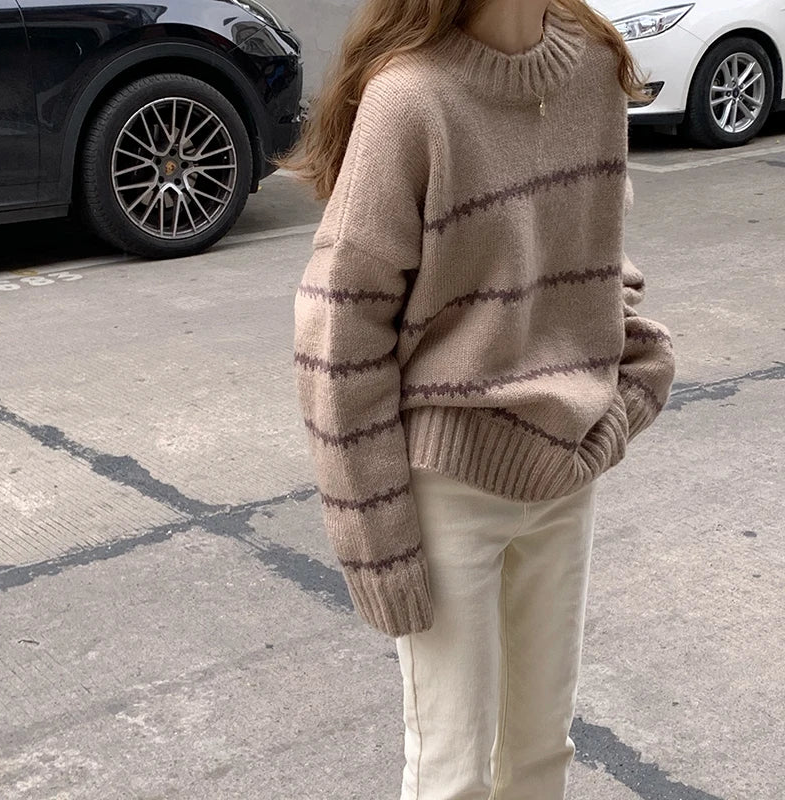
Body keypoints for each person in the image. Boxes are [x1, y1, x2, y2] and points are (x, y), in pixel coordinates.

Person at [278, 0, 676, 796]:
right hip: (448, 493)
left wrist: (621, 382)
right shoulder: (411, 98)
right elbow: (338, 334)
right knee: (453, 774)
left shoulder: (595, 67)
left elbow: (597, 255)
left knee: (540, 755)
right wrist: (379, 544)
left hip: (564, 474)